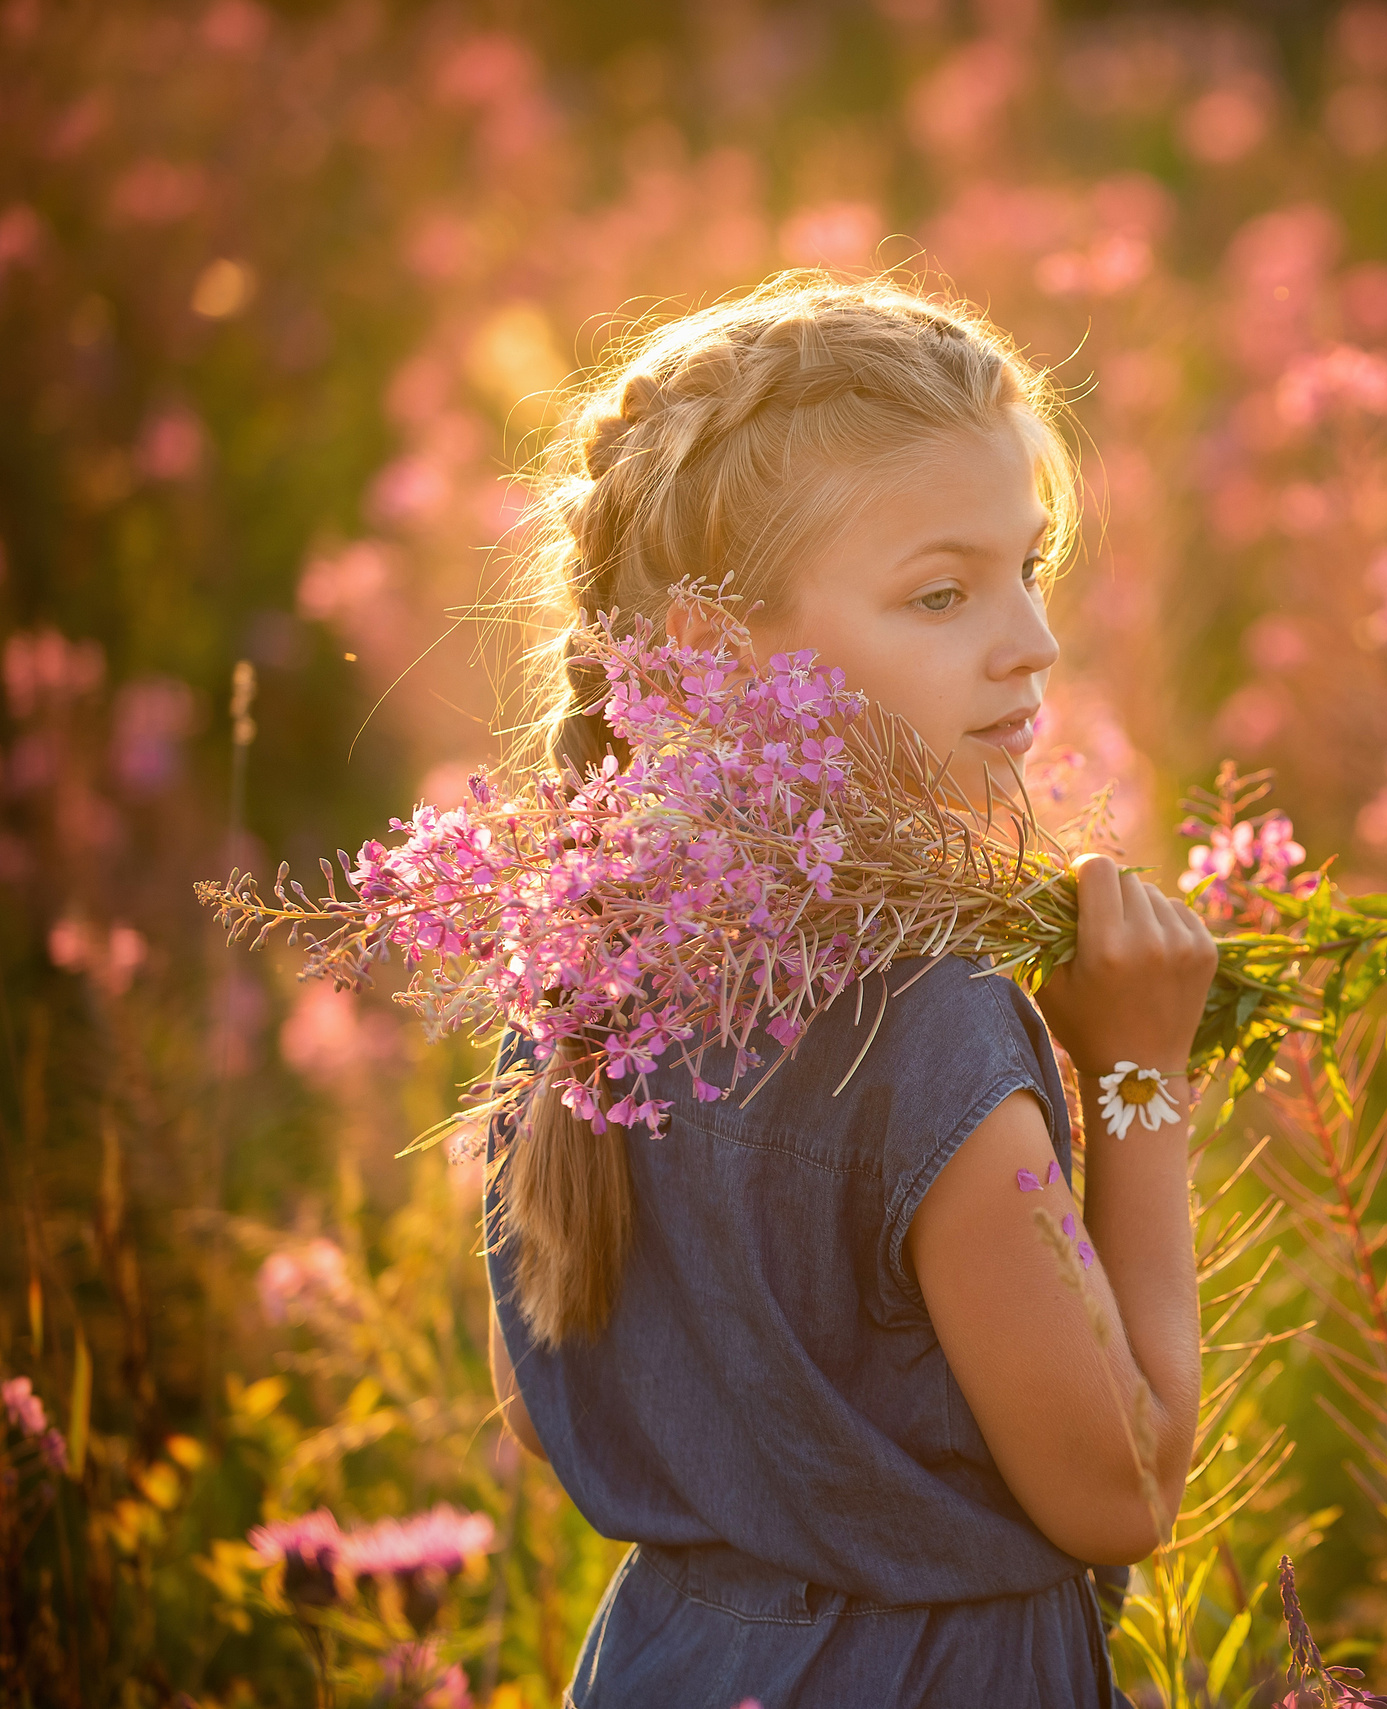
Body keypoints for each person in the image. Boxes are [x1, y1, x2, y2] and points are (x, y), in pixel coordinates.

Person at [480, 273, 1217, 1706]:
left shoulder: (578, 962)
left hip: (667, 1662)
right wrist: (1140, 1076)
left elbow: (549, 1400)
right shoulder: (925, 1019)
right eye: (941, 593)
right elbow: (1123, 1488)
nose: (1031, 640)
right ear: (708, 655)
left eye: (1031, 567)